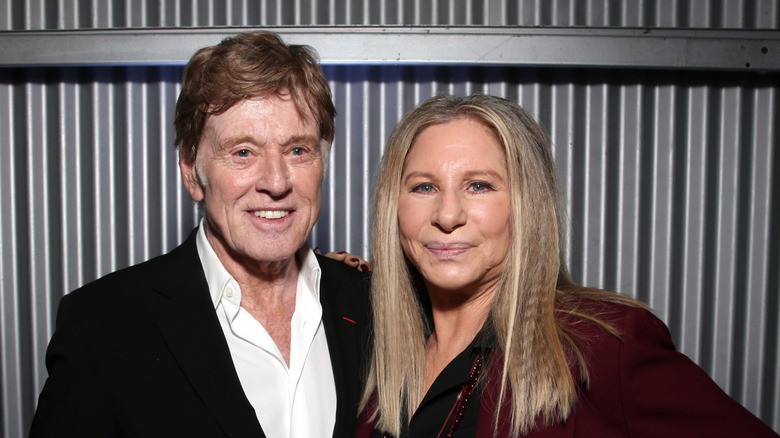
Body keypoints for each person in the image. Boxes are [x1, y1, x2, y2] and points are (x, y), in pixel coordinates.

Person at [355, 94, 778, 437]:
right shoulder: (380, 355)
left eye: (479, 186)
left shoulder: (600, 347)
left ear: (527, 207)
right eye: (424, 186)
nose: (448, 215)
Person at [29, 31, 369, 438]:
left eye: (298, 150)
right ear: (192, 173)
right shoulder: (103, 328)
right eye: (243, 152)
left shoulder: (373, 305)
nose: (276, 181)